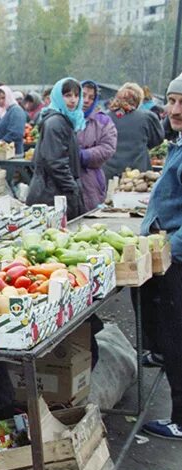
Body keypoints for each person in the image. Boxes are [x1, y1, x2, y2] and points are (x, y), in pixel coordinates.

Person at [140, 73, 182, 440]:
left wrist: (169, 250)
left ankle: (180, 419)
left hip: (177, 260)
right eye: (171, 100)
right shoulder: (178, 143)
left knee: (176, 337)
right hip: (169, 253)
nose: (174, 109)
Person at [27, 77, 86, 219]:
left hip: (56, 190)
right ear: (59, 96)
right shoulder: (56, 123)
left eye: (76, 95)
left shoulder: (65, 120)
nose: (73, 100)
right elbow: (55, 162)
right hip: (51, 194)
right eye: (68, 95)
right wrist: (72, 187)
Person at [104, 83, 165, 179]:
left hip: (106, 175)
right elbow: (158, 139)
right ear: (138, 100)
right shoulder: (147, 117)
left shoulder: (103, 117)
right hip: (137, 177)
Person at [76, 80, 117, 211]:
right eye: (83, 95)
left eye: (91, 97)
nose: (86, 100)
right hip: (65, 178)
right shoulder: (63, 119)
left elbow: (107, 148)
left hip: (91, 180)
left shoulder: (103, 121)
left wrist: (83, 155)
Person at [0, 85, 27, 154]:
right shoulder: (2, 111)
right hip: (3, 152)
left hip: (13, 154)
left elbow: (16, 133)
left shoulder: (16, 111)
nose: (1, 101)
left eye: (3, 98)